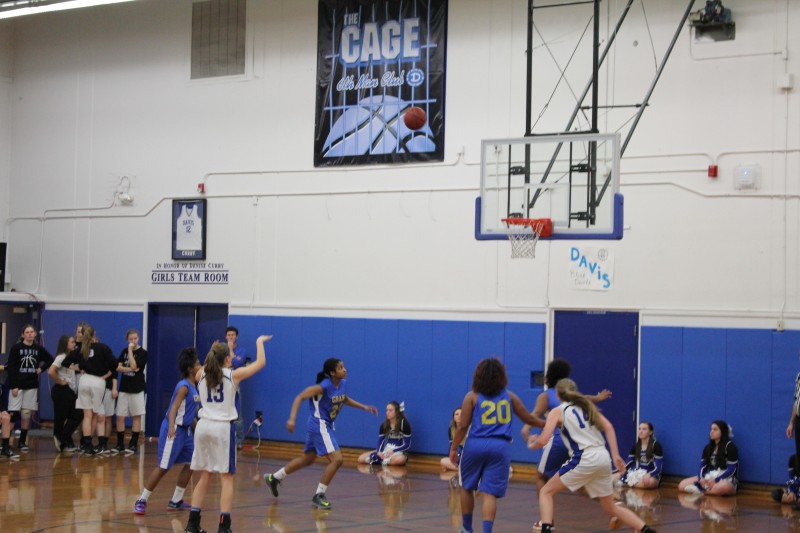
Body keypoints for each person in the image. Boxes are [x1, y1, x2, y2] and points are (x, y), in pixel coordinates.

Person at [527, 378, 658, 533]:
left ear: (557, 394)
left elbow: (543, 440)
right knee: (609, 506)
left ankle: (546, 529)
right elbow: (608, 426)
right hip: (603, 456)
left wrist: (532, 443)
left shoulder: (557, 411)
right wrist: (615, 455)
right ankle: (645, 530)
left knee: (546, 492)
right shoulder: (586, 407)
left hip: (584, 457)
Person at [264, 358, 379, 510]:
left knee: (307, 459)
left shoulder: (343, 383)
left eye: (344, 366)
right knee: (337, 460)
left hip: (323, 425)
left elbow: (343, 399)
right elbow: (300, 397)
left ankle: (274, 478)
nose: (345, 369)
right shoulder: (323, 386)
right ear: (332, 373)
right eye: (340, 368)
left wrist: (364, 407)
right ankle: (319, 495)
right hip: (319, 425)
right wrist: (292, 418)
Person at [183, 335, 271, 533]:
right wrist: (258, 342)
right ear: (228, 359)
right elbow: (261, 363)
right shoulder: (233, 375)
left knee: (204, 476)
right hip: (222, 428)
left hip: (203, 426)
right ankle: (224, 527)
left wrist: (215, 350)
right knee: (226, 478)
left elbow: (208, 364)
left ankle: (192, 525)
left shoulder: (200, 374)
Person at [448, 357, 543, 533]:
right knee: (489, 493)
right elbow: (528, 418)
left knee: (467, 487)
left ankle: (467, 528)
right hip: (501, 447)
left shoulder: (472, 397)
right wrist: (548, 424)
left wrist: (453, 448)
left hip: (476, 444)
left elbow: (462, 426)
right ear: (501, 376)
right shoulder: (510, 396)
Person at [520, 358, 612, 491]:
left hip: (560, 441)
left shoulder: (546, 396)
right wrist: (598, 398)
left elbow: (534, 416)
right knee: (583, 482)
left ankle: (544, 510)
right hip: (580, 443)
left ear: (548, 377)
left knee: (541, 477)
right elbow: (586, 398)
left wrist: (526, 432)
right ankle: (613, 504)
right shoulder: (573, 395)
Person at [134, 347, 201, 515]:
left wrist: (199, 431)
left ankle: (176, 500)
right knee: (163, 467)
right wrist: (171, 426)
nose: (200, 365)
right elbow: (173, 409)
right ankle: (141, 500)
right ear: (190, 368)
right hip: (175, 430)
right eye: (197, 363)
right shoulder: (183, 387)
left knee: (191, 463)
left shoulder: (195, 385)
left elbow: (189, 414)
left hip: (186, 432)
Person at [61, 324, 118, 455]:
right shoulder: (103, 348)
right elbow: (114, 364)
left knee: (87, 415)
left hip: (84, 380)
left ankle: (86, 445)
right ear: (94, 333)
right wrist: (106, 372)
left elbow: (65, 363)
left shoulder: (82, 349)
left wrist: (80, 368)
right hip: (98, 381)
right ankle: (90, 443)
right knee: (95, 414)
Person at [5, 324, 54, 452]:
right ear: (23, 335)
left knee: (26, 414)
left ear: (35, 334)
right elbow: (11, 367)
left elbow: (50, 359)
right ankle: (6, 442)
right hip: (17, 386)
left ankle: (22, 441)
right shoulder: (16, 348)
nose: (30, 334)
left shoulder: (38, 348)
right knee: (13, 414)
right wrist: (14, 385)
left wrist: (41, 369)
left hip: (31, 385)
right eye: (27, 332)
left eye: (32, 332)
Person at [678, 420, 739, 496]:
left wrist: (716, 480)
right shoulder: (708, 447)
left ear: (723, 431)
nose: (711, 432)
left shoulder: (730, 447)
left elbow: (732, 469)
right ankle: (706, 490)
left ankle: (702, 491)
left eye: (715, 429)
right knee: (682, 485)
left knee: (722, 487)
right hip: (710, 477)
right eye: (711, 429)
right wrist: (701, 479)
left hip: (726, 479)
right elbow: (703, 467)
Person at [115, 328, 148, 454]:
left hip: (137, 388)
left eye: (135, 338)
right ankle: (120, 443)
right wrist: (127, 368)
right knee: (120, 416)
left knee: (136, 416)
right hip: (124, 388)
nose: (133, 341)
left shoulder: (143, 353)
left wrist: (130, 352)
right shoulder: (123, 351)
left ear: (138, 338)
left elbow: (135, 366)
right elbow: (117, 367)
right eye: (131, 339)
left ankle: (133, 443)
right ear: (127, 339)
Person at [48, 334, 83, 452]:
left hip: (70, 391)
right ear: (65, 344)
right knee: (61, 416)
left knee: (78, 414)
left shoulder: (70, 357)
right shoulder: (61, 357)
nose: (74, 344)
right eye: (72, 342)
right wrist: (60, 381)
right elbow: (51, 371)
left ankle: (62, 438)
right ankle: (61, 440)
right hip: (61, 390)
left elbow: (75, 368)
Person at [357, 401, 412, 466]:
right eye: (386, 410)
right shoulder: (384, 425)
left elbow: (407, 445)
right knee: (360, 459)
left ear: (397, 412)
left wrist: (393, 451)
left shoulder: (404, 424)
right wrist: (379, 452)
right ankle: (382, 461)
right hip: (387, 450)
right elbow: (380, 442)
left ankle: (380, 461)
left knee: (400, 460)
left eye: (390, 410)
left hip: (399, 451)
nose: (387, 412)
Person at [614, 421, 663, 489]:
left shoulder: (656, 446)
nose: (640, 431)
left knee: (649, 482)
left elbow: (658, 468)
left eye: (644, 429)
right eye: (639, 429)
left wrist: (649, 474)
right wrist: (620, 469)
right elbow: (627, 463)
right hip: (637, 473)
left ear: (651, 432)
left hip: (652, 476)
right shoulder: (636, 446)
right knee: (611, 477)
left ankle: (626, 484)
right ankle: (629, 483)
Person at [225, 326, 247, 450]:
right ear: (225, 336)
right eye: (229, 335)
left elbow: (237, 363)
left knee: (237, 414)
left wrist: (230, 351)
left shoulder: (242, 350)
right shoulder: (221, 350)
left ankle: (239, 441)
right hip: (223, 386)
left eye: (233, 335)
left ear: (236, 337)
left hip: (235, 386)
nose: (231, 337)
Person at [440, 407, 464, 471]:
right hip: (458, 455)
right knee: (443, 461)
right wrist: (452, 459)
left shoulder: (469, 428)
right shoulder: (451, 429)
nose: (459, 416)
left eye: (461, 414)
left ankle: (461, 469)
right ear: (453, 417)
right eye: (457, 414)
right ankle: (460, 468)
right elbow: (451, 447)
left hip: (467, 455)